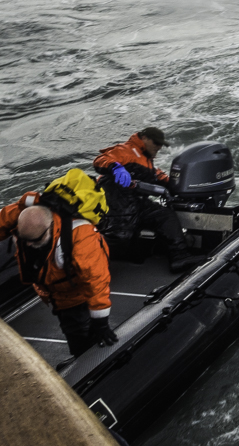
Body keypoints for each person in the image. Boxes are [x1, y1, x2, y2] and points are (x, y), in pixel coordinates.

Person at [0, 193, 116, 357]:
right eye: (24, 239)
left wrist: (101, 321)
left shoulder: (81, 236)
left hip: (75, 296)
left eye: (34, 240)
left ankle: (87, 358)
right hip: (52, 292)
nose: (28, 245)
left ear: (50, 228)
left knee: (78, 334)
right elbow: (4, 219)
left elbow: (96, 280)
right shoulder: (24, 215)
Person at [93, 127, 200, 273]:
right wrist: (115, 167)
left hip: (138, 203)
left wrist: (177, 186)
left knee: (164, 216)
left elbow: (157, 176)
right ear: (144, 138)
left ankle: (180, 257)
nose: (159, 147)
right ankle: (87, 261)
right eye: (156, 143)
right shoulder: (126, 150)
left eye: (161, 144)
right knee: (119, 238)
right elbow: (100, 160)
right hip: (115, 204)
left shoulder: (147, 160)